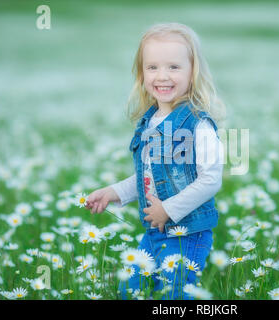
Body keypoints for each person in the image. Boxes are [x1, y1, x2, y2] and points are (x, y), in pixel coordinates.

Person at [85, 22, 225, 300]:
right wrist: (114, 192)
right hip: (154, 230)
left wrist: (169, 210)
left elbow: (211, 180)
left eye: (174, 67)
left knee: (174, 292)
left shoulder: (198, 124)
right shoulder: (149, 121)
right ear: (142, 74)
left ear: (192, 71)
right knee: (130, 288)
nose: (163, 76)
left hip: (188, 233)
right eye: (153, 67)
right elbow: (147, 176)